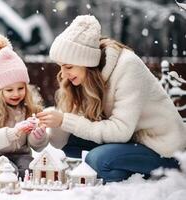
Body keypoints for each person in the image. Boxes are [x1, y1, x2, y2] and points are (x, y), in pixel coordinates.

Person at [37, 15, 186, 182]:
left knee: (97, 160)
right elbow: (75, 129)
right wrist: (54, 124)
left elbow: (120, 131)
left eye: (68, 67)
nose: (63, 74)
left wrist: (65, 120)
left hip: (163, 148)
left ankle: (141, 176)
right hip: (133, 140)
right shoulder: (91, 76)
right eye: (61, 67)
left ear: (85, 61)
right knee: (70, 144)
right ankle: (122, 164)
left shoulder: (128, 67)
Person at [0, 33, 48, 178]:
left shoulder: (28, 107)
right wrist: (12, 133)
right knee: (7, 171)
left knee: (31, 170)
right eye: (9, 90)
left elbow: (37, 147)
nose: (16, 94)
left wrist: (38, 137)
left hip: (19, 156)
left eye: (20, 88)